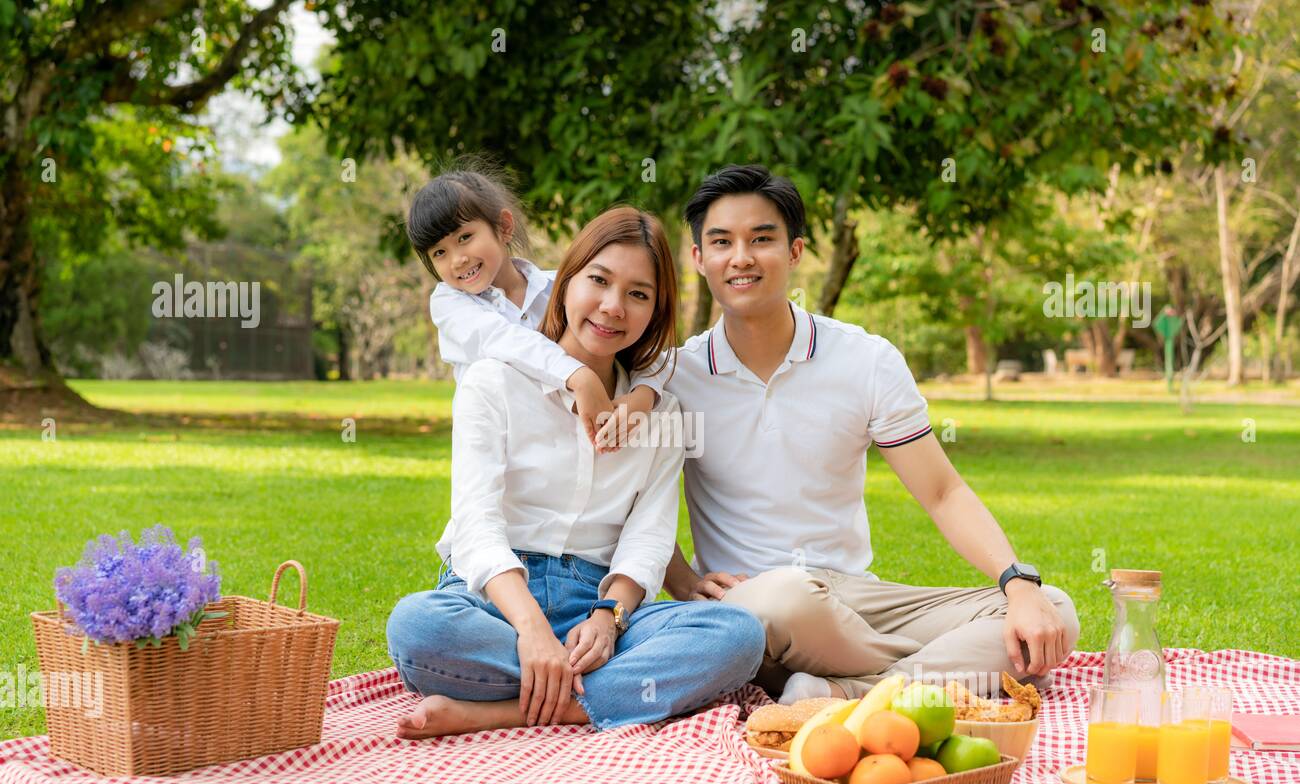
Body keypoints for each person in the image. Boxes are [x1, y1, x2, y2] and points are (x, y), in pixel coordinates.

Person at [656, 164, 1080, 703]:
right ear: (698, 259)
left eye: (762, 239)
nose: (741, 257)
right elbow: (630, 500)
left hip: (856, 601)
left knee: (1053, 613)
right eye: (722, 242)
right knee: (782, 597)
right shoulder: (674, 377)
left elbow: (943, 492)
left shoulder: (864, 359)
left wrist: (1018, 583)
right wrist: (683, 579)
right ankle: (919, 678)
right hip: (757, 604)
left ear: (794, 252)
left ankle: (842, 693)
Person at [386, 206, 766, 738]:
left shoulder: (660, 413)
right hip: (494, 602)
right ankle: (602, 694)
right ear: (566, 281)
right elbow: (475, 525)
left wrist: (608, 618)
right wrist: (530, 630)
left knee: (737, 635)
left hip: (599, 604)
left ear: (655, 311)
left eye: (638, 294)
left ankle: (506, 710)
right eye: (599, 281)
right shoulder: (492, 382)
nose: (613, 307)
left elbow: (649, 535)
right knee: (418, 627)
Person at [406, 157, 670, 451]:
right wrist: (577, 376)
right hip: (496, 449)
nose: (458, 259)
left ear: (504, 227)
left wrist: (645, 393)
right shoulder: (451, 305)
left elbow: (644, 347)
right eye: (439, 253)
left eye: (465, 237)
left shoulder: (557, 288)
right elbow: (503, 340)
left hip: (561, 443)